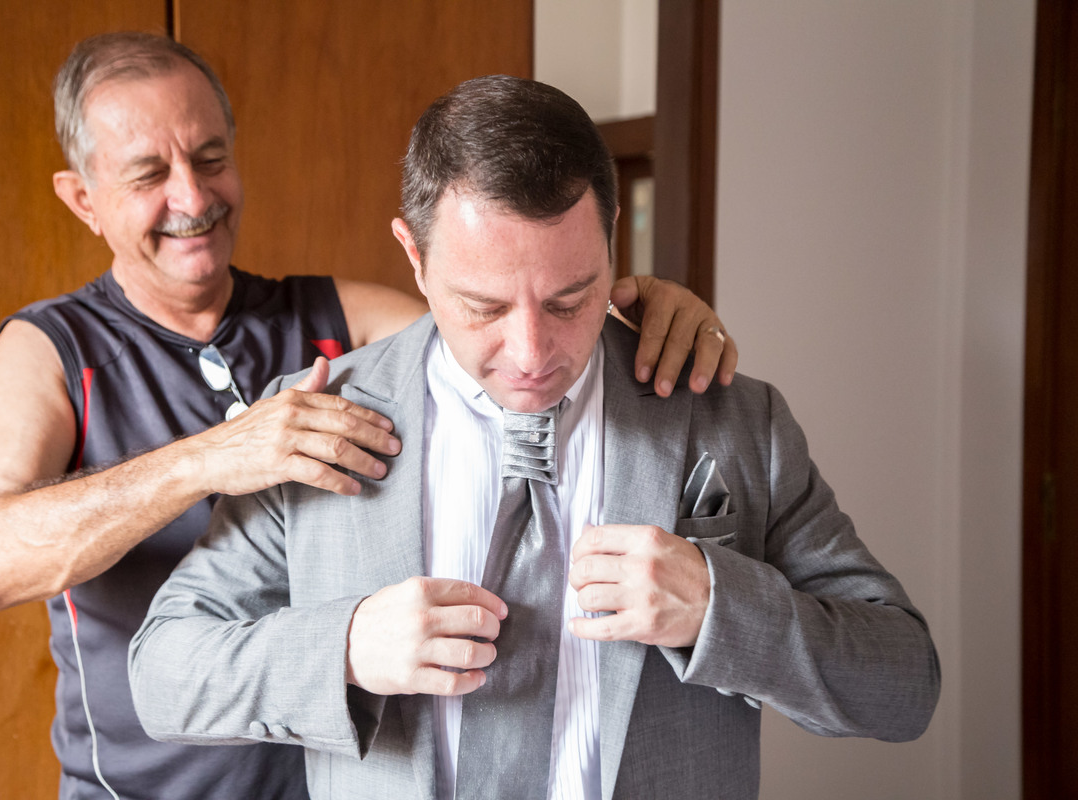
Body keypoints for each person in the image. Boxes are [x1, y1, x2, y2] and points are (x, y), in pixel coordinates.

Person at [0, 34, 738, 800]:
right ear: (83, 198)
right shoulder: (49, 348)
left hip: (335, 768)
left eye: (211, 158)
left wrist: (637, 306)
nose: (192, 197)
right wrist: (212, 458)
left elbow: (496, 334)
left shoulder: (335, 316)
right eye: (149, 173)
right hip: (146, 784)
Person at [128, 75, 940, 800]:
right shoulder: (313, 422)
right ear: (414, 257)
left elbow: (905, 685)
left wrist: (719, 609)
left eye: (569, 299)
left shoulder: (729, 418)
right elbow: (163, 677)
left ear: (613, 242)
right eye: (483, 306)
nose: (531, 355)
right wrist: (340, 648)